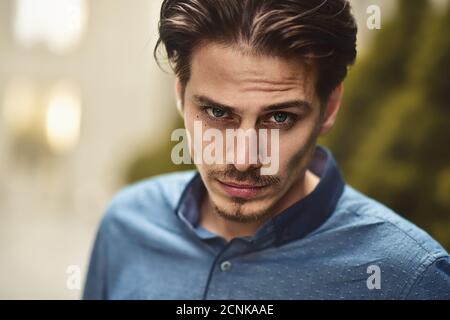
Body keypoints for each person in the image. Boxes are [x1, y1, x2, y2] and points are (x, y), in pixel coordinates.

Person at [83, 0, 450, 299]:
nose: (244, 159)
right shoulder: (125, 225)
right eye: (216, 112)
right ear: (180, 95)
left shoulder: (411, 279)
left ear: (330, 108)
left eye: (279, 119)